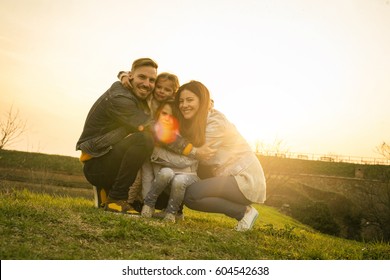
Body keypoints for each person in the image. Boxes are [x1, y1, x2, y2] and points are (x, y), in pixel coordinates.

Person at [174, 80, 267, 231]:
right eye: (181, 101)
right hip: (229, 177)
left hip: (244, 179)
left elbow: (200, 153)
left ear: (203, 101)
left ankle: (244, 212)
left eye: (190, 100)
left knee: (191, 196)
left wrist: (172, 142)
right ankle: (173, 211)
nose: (184, 105)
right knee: (186, 183)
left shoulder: (216, 121)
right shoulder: (199, 122)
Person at [76, 58, 158, 214]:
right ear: (131, 76)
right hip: (96, 164)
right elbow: (148, 124)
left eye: (152, 80)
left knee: (146, 141)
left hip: (107, 154)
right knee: (145, 139)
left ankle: (109, 193)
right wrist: (187, 147)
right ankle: (116, 199)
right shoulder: (120, 97)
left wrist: (122, 74)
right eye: (142, 77)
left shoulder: (134, 92)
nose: (147, 84)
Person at [140, 99, 199, 222]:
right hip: (165, 179)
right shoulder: (153, 137)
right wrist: (146, 201)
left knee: (178, 180)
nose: (167, 118)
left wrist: (157, 154)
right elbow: (147, 175)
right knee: (166, 172)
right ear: (158, 114)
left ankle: (173, 213)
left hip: (187, 175)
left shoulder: (182, 138)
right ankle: (149, 206)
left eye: (172, 116)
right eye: (164, 113)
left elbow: (189, 161)